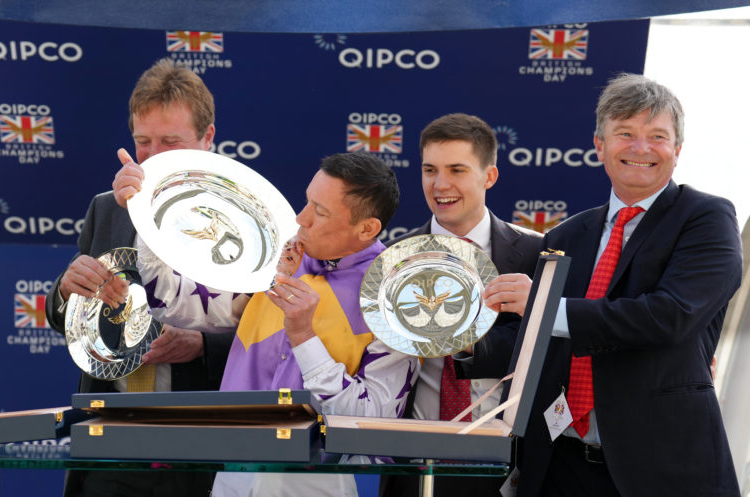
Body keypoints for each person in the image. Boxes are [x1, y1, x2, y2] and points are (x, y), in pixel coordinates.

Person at [117, 151, 419, 497]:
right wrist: (145, 214)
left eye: (319, 211)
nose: (300, 219)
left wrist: (305, 338)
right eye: (306, 202)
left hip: (313, 484)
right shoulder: (277, 256)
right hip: (232, 474)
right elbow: (171, 302)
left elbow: (374, 424)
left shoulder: (394, 297)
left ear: (367, 228)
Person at [515, 73, 742, 497]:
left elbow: (670, 316)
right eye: (625, 134)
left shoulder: (706, 219)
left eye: (657, 136)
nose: (641, 148)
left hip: (660, 469)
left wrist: (545, 308)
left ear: (677, 150)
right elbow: (537, 348)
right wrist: (468, 340)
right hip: (559, 465)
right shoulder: (566, 236)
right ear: (600, 145)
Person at [45, 59, 240, 497]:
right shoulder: (106, 208)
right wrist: (64, 289)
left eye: (170, 142)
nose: (153, 157)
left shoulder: (245, 223)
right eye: (143, 142)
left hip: (207, 452)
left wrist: (203, 346)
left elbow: (273, 335)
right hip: (112, 447)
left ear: (208, 138)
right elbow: (69, 320)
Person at [379, 113, 543, 496]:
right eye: (429, 170)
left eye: (456, 169)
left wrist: (461, 338)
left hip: (508, 462)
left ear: (490, 176)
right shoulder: (391, 262)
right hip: (415, 461)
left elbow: (545, 352)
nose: (440, 185)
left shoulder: (538, 254)